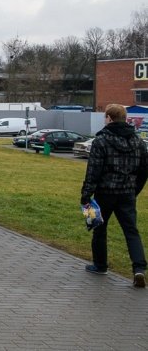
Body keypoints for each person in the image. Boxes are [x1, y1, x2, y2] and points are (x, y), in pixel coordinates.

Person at [80, 104, 147, 287]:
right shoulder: (138, 142)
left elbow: (93, 170)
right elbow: (144, 171)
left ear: (109, 118)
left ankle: (100, 265)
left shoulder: (101, 141)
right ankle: (139, 269)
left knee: (99, 228)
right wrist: (134, 190)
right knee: (131, 231)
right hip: (127, 193)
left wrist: (86, 195)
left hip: (105, 193)